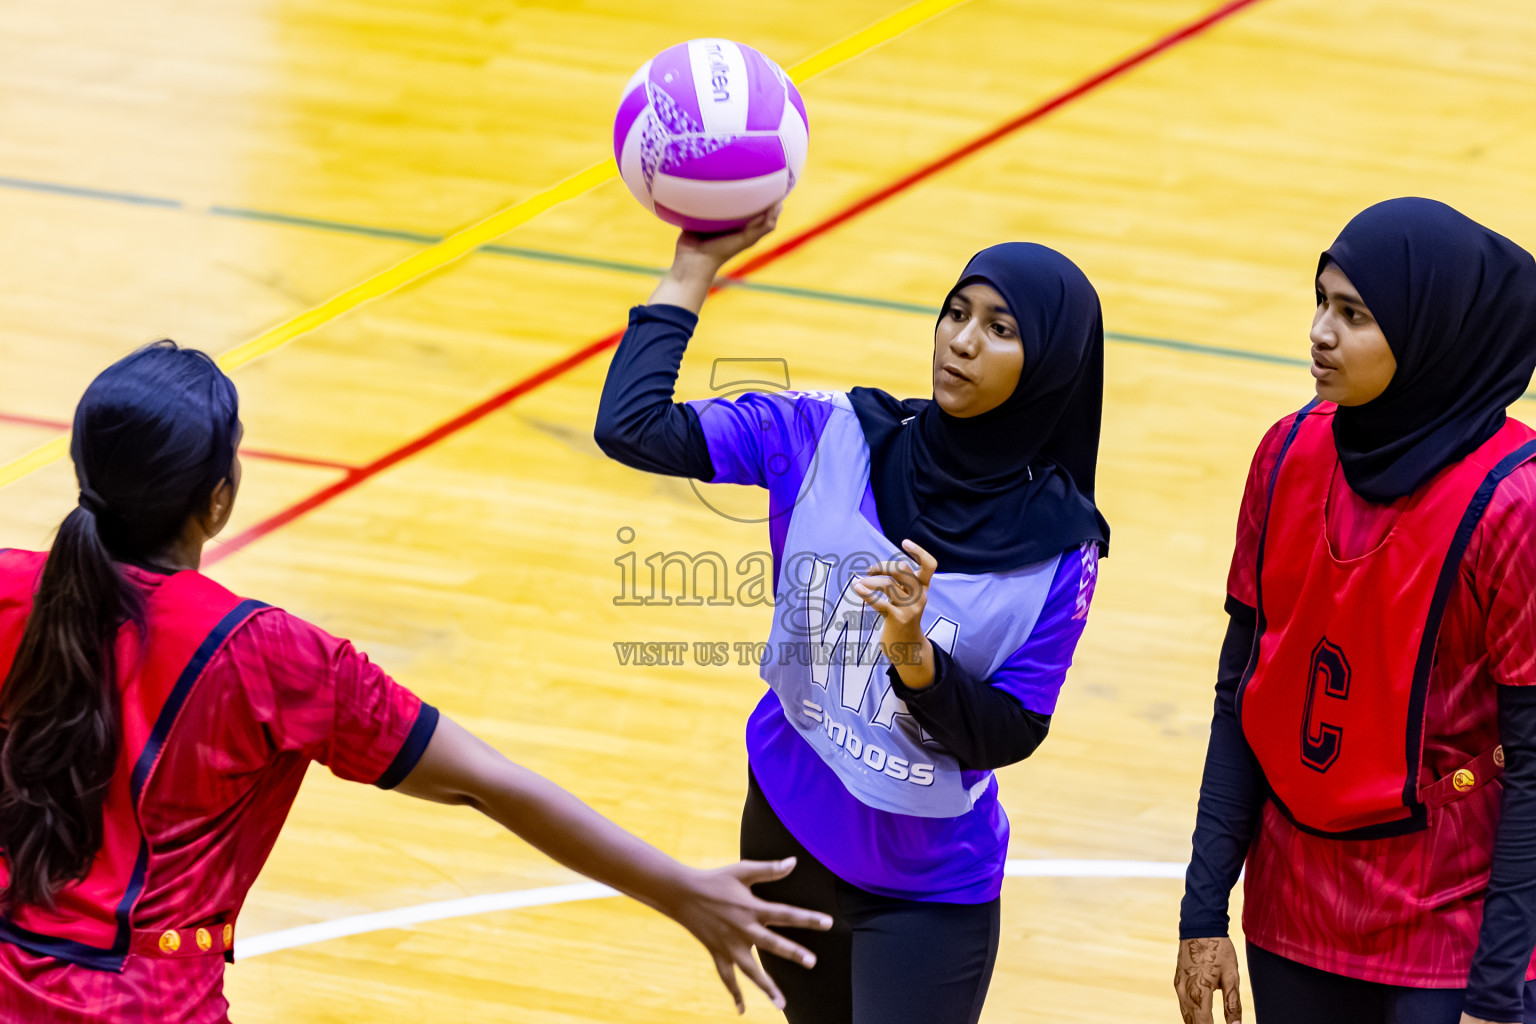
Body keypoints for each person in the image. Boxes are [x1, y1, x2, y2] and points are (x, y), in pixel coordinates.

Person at [0, 341, 833, 1023]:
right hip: (145, 1006)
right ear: (218, 500)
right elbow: (490, 785)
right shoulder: (271, 658)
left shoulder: (12, 587)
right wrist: (678, 889)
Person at [594, 206, 1109, 1024]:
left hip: (928, 887)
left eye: (1000, 328)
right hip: (785, 830)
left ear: (1047, 365)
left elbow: (1011, 733)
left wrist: (915, 657)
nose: (962, 341)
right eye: (956, 312)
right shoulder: (823, 433)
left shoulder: (1061, 549)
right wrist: (694, 267)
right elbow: (632, 427)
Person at [1175, 198, 1536, 1024]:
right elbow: (1241, 692)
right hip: (1292, 909)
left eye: (1355, 314)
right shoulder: (1286, 453)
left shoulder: (1514, 503)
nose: (1320, 332)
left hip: (1448, 929)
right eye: (1322, 302)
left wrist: (1499, 988)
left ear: (1430, 331)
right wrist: (1203, 916)